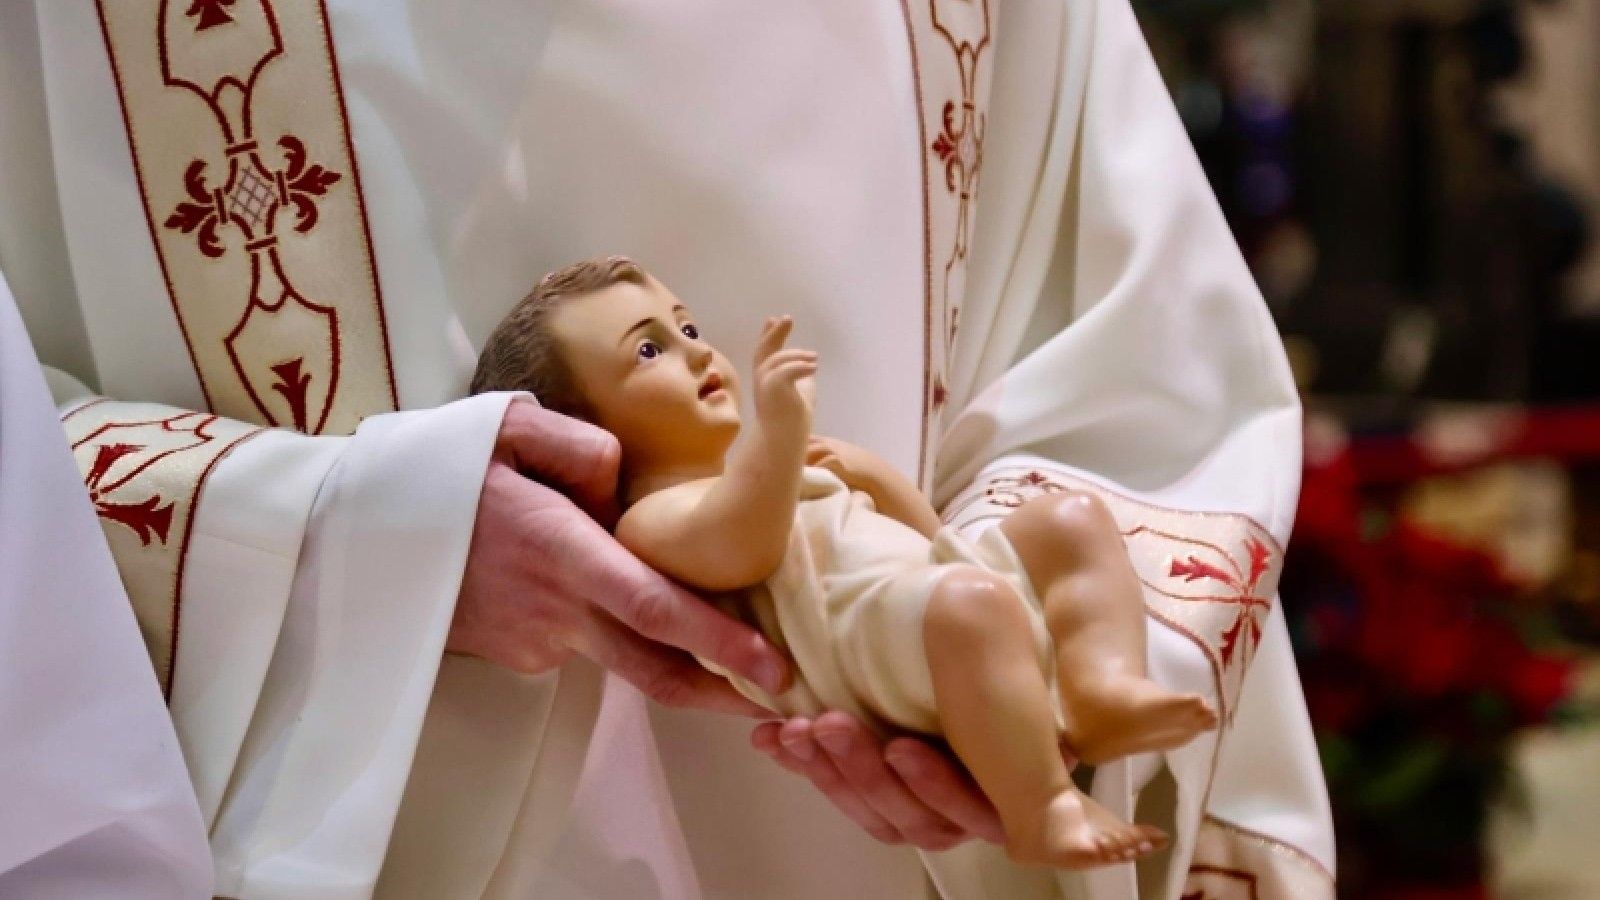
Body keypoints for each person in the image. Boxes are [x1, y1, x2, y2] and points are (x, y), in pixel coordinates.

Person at [0, 0, 1335, 897]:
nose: (700, 356)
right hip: (374, 821)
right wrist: (351, 540)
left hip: (882, 810)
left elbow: (1137, 352)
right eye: (660, 345)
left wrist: (1002, 674)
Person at [472, 257, 1227, 867]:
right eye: (649, 350)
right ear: (589, 434)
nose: (697, 350)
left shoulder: (774, 475)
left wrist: (874, 478)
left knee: (1070, 521)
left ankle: (1100, 689)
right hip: (870, 646)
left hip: (927, 600)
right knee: (969, 606)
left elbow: (927, 535)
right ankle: (1045, 808)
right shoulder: (652, 520)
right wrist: (779, 435)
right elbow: (742, 544)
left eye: (687, 326)